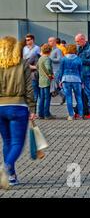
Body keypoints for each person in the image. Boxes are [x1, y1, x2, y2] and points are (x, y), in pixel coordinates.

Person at [0, 36, 36, 188]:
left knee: (7, 141)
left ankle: (12, 176)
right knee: (17, 143)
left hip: (0, 108)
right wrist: (32, 108)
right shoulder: (23, 64)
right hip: (18, 106)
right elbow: (29, 88)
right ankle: (6, 167)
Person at [57, 44, 84, 120]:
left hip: (66, 79)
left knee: (69, 97)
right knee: (78, 97)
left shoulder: (63, 59)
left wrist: (60, 80)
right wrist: (82, 81)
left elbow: (61, 71)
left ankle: (71, 115)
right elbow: (81, 71)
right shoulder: (78, 59)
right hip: (77, 79)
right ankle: (80, 115)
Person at [75, 33, 90, 118]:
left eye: (78, 41)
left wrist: (80, 60)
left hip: (87, 73)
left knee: (87, 92)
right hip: (79, 73)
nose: (77, 43)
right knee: (80, 93)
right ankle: (82, 111)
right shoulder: (80, 48)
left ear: (83, 39)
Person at [37, 44, 55, 120]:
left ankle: (40, 114)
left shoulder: (40, 58)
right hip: (47, 80)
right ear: (50, 50)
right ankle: (46, 114)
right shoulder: (47, 59)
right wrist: (51, 74)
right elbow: (48, 68)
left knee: (41, 98)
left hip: (41, 80)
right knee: (47, 98)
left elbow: (37, 67)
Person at [22, 34, 40, 102]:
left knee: (34, 89)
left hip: (34, 70)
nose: (27, 41)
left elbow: (38, 58)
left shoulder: (37, 48)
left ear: (32, 40)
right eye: (26, 40)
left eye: (28, 40)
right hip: (26, 68)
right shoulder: (24, 48)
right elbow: (24, 58)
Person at [48, 37, 65, 104]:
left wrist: (50, 58)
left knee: (55, 86)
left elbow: (60, 59)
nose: (49, 42)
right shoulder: (50, 50)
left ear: (55, 42)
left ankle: (64, 95)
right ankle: (63, 95)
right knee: (55, 86)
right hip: (51, 71)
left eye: (50, 41)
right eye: (48, 41)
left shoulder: (58, 50)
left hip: (57, 70)